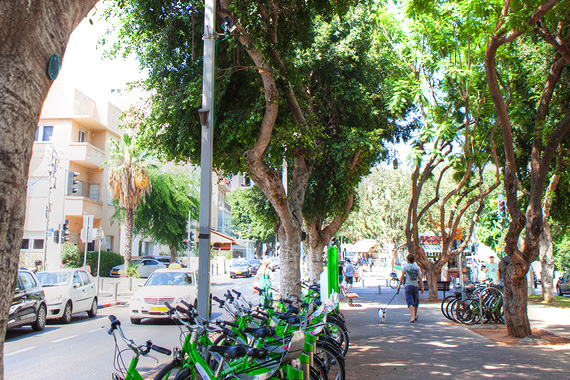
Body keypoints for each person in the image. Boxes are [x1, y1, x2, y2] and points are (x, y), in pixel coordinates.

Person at [399, 253, 424, 323]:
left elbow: (402, 277)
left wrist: (399, 286)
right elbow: (420, 278)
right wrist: (422, 287)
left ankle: (413, 316)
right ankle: (415, 315)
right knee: (416, 301)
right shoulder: (417, 267)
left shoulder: (405, 267)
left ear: (407, 260)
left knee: (409, 301)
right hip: (415, 286)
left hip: (408, 286)